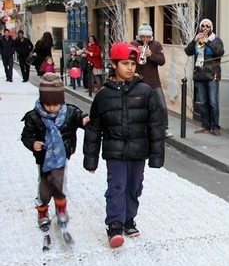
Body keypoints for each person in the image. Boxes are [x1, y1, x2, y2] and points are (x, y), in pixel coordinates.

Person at [84, 42, 165, 248]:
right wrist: (90, 159)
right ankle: (115, 224)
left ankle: (129, 218)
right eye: (125, 63)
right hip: (115, 151)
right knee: (116, 186)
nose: (130, 67)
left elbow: (155, 125)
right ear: (114, 64)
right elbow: (94, 128)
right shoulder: (103, 95)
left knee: (134, 187)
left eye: (133, 63)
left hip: (138, 151)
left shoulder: (145, 91)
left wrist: (156, 155)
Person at [21, 73, 89, 232]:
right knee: (45, 188)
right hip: (43, 159)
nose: (52, 108)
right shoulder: (33, 116)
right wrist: (32, 143)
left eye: (56, 104)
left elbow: (80, 118)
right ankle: (43, 210)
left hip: (61, 157)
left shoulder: (70, 112)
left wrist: (84, 119)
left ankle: (61, 209)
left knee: (58, 185)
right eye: (48, 104)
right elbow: (26, 135)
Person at [131, 23, 172, 138]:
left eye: (147, 37)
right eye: (143, 37)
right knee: (137, 106)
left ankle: (165, 128)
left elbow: (162, 61)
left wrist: (151, 54)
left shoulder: (156, 45)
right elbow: (128, 59)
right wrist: (136, 54)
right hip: (137, 81)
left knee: (161, 105)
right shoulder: (133, 44)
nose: (145, 39)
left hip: (153, 81)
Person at [185, 19, 225, 136]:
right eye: (203, 26)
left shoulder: (216, 40)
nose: (205, 28)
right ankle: (205, 125)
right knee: (203, 102)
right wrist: (194, 40)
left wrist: (207, 42)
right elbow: (188, 52)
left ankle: (215, 126)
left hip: (212, 74)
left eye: (208, 26)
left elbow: (219, 52)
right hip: (199, 74)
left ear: (211, 28)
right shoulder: (198, 40)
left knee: (213, 102)